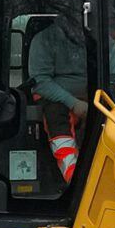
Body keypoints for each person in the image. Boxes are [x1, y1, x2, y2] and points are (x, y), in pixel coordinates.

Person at [27, 15, 89, 182]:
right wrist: (74, 104)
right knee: (55, 113)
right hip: (58, 100)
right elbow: (40, 82)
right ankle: (73, 176)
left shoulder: (101, 39)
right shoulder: (44, 40)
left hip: (96, 96)